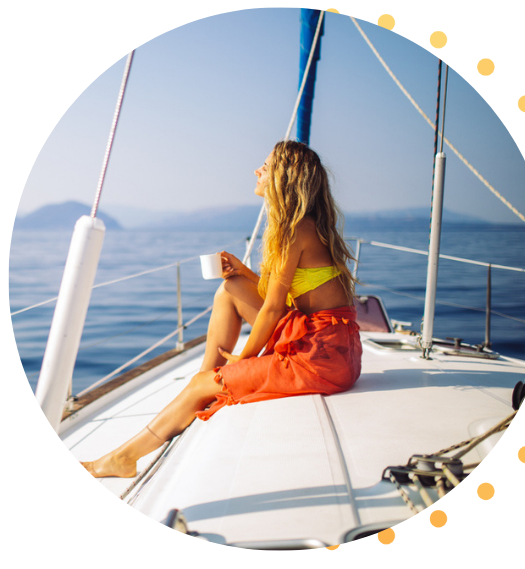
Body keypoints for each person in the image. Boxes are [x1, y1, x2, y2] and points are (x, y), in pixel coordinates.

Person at [81, 140, 362, 478]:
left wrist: (245, 358)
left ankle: (124, 457)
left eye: (267, 166)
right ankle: (207, 382)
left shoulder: (293, 229)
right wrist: (244, 273)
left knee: (205, 381)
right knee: (229, 289)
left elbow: (274, 309)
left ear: (283, 179)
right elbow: (288, 297)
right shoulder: (302, 225)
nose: (257, 170)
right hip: (330, 345)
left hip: (321, 357)